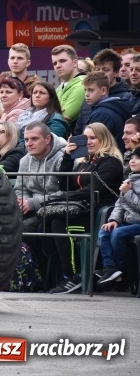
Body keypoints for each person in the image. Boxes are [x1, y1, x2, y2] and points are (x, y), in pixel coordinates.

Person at [48, 122, 124, 294]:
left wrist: (64, 197)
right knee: (44, 224)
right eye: (85, 138)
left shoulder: (111, 162)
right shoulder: (84, 162)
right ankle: (57, 276)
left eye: (92, 138)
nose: (88, 142)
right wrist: (68, 157)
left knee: (60, 224)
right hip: (81, 209)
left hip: (98, 214)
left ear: (103, 139)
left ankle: (73, 276)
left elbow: (94, 189)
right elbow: (65, 185)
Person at [95, 146, 140, 287]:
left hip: (137, 222)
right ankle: (109, 267)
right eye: (132, 158)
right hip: (128, 222)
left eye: (138, 158)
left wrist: (127, 193)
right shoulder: (130, 179)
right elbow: (119, 204)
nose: (133, 161)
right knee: (105, 231)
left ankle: (118, 269)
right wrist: (114, 220)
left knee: (118, 233)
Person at [16, 122, 68, 231]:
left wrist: (34, 203)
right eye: (26, 140)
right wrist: (24, 203)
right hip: (30, 209)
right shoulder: (24, 160)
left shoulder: (64, 159)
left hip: (56, 210)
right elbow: (20, 188)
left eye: (34, 139)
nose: (29, 144)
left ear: (47, 139)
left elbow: (66, 192)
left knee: (23, 227)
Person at [73, 49, 134, 140]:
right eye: (97, 69)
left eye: (105, 70)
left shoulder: (126, 98)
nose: (100, 73)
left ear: (116, 72)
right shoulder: (87, 100)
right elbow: (78, 131)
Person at [75, 71, 132, 150]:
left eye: (91, 90)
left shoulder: (101, 114)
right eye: (85, 90)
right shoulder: (110, 107)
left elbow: (95, 147)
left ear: (103, 91)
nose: (86, 94)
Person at [0, 44, 39, 118]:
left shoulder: (37, 86)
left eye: (20, 58)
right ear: (8, 61)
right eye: (12, 58)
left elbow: (39, 112)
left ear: (28, 63)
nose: (15, 61)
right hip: (2, 128)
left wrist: (7, 112)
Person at [51, 45, 86, 128]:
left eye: (62, 61)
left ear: (74, 63)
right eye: (54, 63)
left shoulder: (83, 84)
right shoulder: (59, 88)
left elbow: (63, 118)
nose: (58, 66)